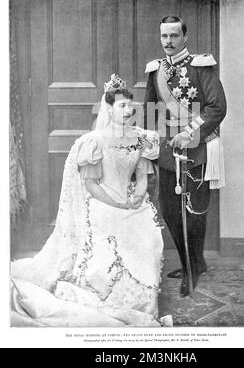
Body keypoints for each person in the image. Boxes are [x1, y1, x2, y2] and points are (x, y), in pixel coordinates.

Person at [11, 74, 172, 327]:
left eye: (130, 105)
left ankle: (142, 302)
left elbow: (141, 176)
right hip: (103, 203)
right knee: (111, 244)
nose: (128, 110)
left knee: (147, 236)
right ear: (109, 108)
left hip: (132, 202)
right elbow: (91, 185)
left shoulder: (140, 138)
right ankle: (110, 297)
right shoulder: (93, 142)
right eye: (121, 106)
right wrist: (117, 204)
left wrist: (138, 196)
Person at [144, 16, 227, 297]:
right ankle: (190, 263)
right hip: (168, 153)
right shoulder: (155, 70)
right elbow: (150, 110)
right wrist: (156, 143)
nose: (168, 42)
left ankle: (194, 266)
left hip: (198, 151)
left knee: (193, 211)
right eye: (164, 36)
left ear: (185, 38)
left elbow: (217, 107)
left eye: (174, 36)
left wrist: (190, 132)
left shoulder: (200, 67)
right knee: (170, 210)